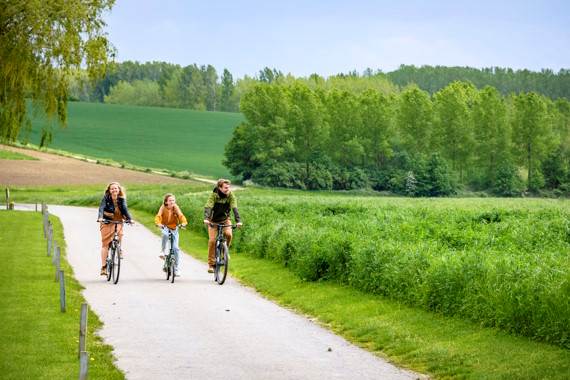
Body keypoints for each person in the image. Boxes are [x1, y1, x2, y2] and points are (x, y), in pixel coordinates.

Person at [203, 179, 242, 273]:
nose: (228, 189)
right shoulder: (214, 195)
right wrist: (207, 219)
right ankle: (211, 264)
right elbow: (208, 206)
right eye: (225, 188)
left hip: (225, 220)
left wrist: (238, 221)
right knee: (212, 241)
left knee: (229, 234)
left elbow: (234, 207)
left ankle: (225, 252)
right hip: (213, 222)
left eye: (228, 187)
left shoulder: (230, 195)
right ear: (219, 187)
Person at [97, 182, 133, 276]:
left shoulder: (121, 199)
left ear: (119, 190)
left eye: (116, 188)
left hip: (118, 220)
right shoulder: (106, 198)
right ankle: (104, 267)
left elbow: (125, 209)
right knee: (105, 244)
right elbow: (101, 208)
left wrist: (130, 219)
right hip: (106, 221)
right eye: (112, 189)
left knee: (120, 234)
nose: (114, 190)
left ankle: (119, 249)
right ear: (109, 190)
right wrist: (100, 217)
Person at [155, 193, 187, 276]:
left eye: (173, 200)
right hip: (165, 227)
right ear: (166, 202)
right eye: (170, 200)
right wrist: (158, 223)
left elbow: (180, 215)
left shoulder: (175, 207)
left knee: (176, 249)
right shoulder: (163, 207)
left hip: (174, 228)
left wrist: (183, 222)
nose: (172, 202)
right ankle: (162, 251)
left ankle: (176, 269)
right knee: (165, 235)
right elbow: (158, 216)